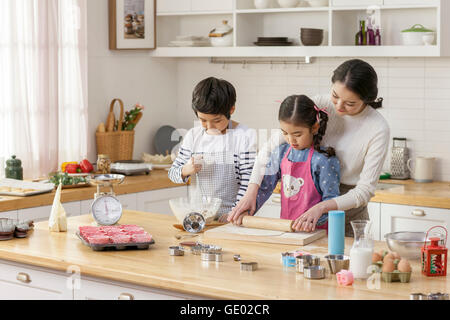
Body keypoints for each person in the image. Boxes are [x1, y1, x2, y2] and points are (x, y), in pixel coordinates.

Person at [228, 59, 390, 236]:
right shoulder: (319, 104)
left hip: (346, 211)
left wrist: (321, 207)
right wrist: (251, 191)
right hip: (304, 204)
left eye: (350, 103)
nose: (338, 106)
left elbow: (364, 191)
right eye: (335, 95)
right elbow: (269, 148)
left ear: (367, 99)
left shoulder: (377, 128)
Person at [168, 77, 257, 222]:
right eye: (203, 120)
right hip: (198, 218)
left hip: (231, 217)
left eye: (216, 121)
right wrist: (186, 170)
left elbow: (248, 181)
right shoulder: (193, 136)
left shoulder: (244, 136)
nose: (209, 126)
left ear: (231, 110)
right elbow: (173, 173)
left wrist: (235, 213)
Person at [252, 95, 340, 231]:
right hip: (287, 230)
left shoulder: (324, 160)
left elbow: (332, 200)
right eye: (285, 133)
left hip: (317, 232)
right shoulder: (280, 153)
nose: (291, 140)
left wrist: (312, 221)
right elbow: (265, 187)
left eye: (297, 134)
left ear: (315, 128)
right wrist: (248, 209)